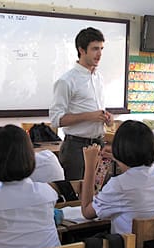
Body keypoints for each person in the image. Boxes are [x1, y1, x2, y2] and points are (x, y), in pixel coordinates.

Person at [80, 120, 154, 234]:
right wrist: (117, 156)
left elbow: (86, 211)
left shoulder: (119, 185)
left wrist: (90, 166)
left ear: (118, 149)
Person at [49, 27, 113, 180]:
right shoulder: (66, 81)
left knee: (100, 196)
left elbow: (96, 112)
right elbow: (56, 120)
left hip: (99, 145)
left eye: (101, 49)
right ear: (81, 50)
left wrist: (107, 118)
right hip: (76, 148)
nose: (99, 54)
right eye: (95, 49)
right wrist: (89, 116)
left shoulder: (99, 78)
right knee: (78, 196)